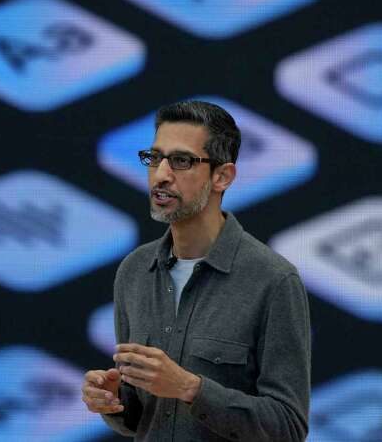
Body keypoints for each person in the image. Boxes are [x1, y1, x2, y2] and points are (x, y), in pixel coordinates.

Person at [82, 100, 311, 441]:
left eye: (181, 161)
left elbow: (288, 427)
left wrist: (191, 388)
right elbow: (141, 420)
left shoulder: (274, 280)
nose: (160, 175)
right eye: (155, 158)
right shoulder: (134, 272)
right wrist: (114, 402)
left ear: (223, 176)